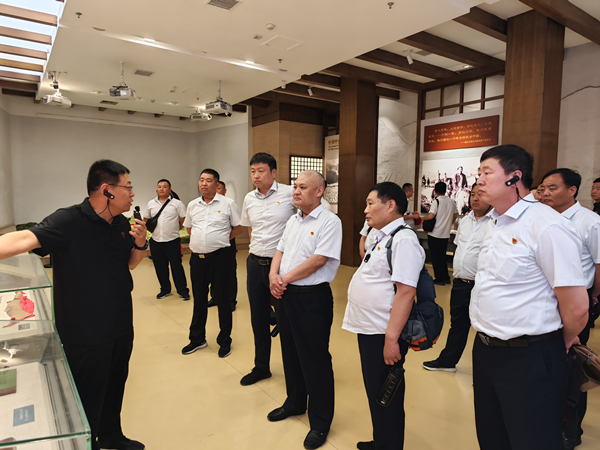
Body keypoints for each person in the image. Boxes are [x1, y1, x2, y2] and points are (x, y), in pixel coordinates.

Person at [0, 159, 147, 450]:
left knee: (115, 385)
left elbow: (130, 264)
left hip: (120, 323)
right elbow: (24, 238)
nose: (132, 194)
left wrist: (141, 244)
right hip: (85, 331)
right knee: (87, 396)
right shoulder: (68, 221)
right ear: (106, 190)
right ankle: (86, 444)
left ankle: (111, 435)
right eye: (127, 187)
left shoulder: (122, 223)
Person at [471, 144, 588, 450]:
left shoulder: (546, 225)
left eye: (487, 172)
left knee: (532, 439)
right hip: (485, 350)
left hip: (529, 356)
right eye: (478, 172)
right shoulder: (495, 223)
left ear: (515, 177)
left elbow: (577, 306)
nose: (479, 180)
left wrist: (559, 340)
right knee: (492, 436)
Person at [343, 182, 425, 450]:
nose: (365, 210)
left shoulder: (404, 240)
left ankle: (389, 445)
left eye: (370, 203)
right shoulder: (382, 235)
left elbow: (406, 292)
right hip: (371, 329)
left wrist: (391, 340)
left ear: (390, 206)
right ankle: (382, 441)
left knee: (387, 394)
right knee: (377, 391)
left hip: (385, 332)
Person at [267, 170, 342, 450]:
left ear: (319, 191)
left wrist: (283, 279)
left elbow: (319, 260)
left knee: (315, 359)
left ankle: (320, 421)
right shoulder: (293, 220)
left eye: (302, 187)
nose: (295, 191)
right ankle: (295, 402)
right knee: (291, 352)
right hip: (286, 296)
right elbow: (280, 250)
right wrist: (273, 276)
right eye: (295, 186)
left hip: (312, 298)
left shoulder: (330, 221)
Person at [541, 168, 600, 449]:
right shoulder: (542, 219)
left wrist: (594, 297)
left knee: (572, 366)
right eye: (542, 188)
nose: (545, 193)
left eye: (552, 188)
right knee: (546, 363)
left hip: (577, 300)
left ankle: (571, 429)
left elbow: (599, 264)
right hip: (545, 300)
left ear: (572, 190)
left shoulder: (590, 222)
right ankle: (547, 421)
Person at [239, 153, 296, 386]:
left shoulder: (290, 193)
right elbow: (251, 229)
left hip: (281, 266)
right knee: (258, 318)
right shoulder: (249, 198)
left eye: (261, 171)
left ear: (273, 172)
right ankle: (261, 366)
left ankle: (295, 371)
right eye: (253, 171)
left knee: (286, 319)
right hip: (255, 264)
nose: (256, 175)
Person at [423, 184, 492, 372]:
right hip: (461, 283)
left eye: (481, 194)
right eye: (473, 194)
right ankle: (447, 361)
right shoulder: (466, 220)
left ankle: (487, 372)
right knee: (458, 325)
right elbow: (460, 247)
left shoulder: (496, 223)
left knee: (486, 329)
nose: (475, 198)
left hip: (483, 287)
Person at [181, 169, 242, 359]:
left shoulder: (228, 203)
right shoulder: (192, 205)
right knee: (199, 299)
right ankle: (197, 338)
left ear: (217, 184)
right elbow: (189, 229)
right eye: (201, 180)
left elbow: (238, 228)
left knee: (223, 300)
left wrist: (220, 239)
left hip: (220, 259)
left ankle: (225, 340)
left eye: (208, 180)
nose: (204, 183)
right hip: (198, 260)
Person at [143, 179, 190, 301]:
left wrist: (174, 229)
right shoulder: (151, 203)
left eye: (165, 186)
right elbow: (146, 219)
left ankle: (183, 290)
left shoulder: (177, 203)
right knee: (160, 267)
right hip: (156, 241)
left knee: (176, 266)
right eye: (159, 186)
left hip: (172, 241)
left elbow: (183, 220)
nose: (162, 189)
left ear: (170, 189)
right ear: (156, 189)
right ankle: (165, 289)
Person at [207, 180, 238, 312]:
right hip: (211, 248)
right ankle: (215, 297)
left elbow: (238, 228)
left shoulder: (229, 204)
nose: (215, 191)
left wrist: (223, 239)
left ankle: (230, 300)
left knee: (229, 274)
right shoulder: (207, 206)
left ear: (224, 191)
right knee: (213, 273)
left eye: (218, 189)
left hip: (227, 246)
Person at [421, 181, 457, 285]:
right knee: (442, 257)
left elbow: (431, 216)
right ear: (445, 190)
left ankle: (439, 279)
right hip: (445, 235)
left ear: (435, 191)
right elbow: (455, 215)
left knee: (435, 258)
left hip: (434, 234)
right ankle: (446, 277)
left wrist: (423, 218)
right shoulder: (451, 202)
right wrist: (449, 224)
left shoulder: (436, 201)